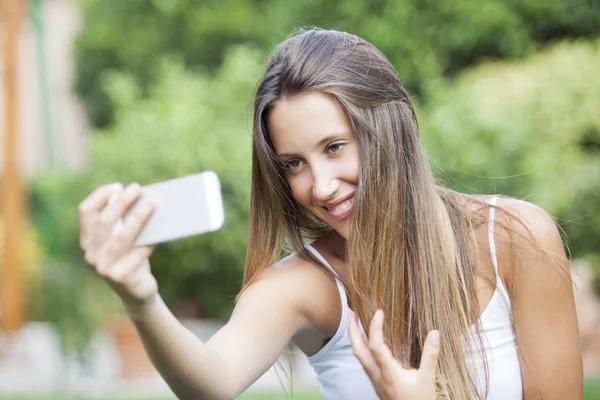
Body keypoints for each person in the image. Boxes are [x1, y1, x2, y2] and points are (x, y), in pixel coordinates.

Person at [78, 28, 583, 399]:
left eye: (335, 147)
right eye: (294, 163)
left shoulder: (513, 240)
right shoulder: (308, 285)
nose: (318, 185)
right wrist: (141, 299)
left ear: (391, 128)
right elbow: (210, 382)